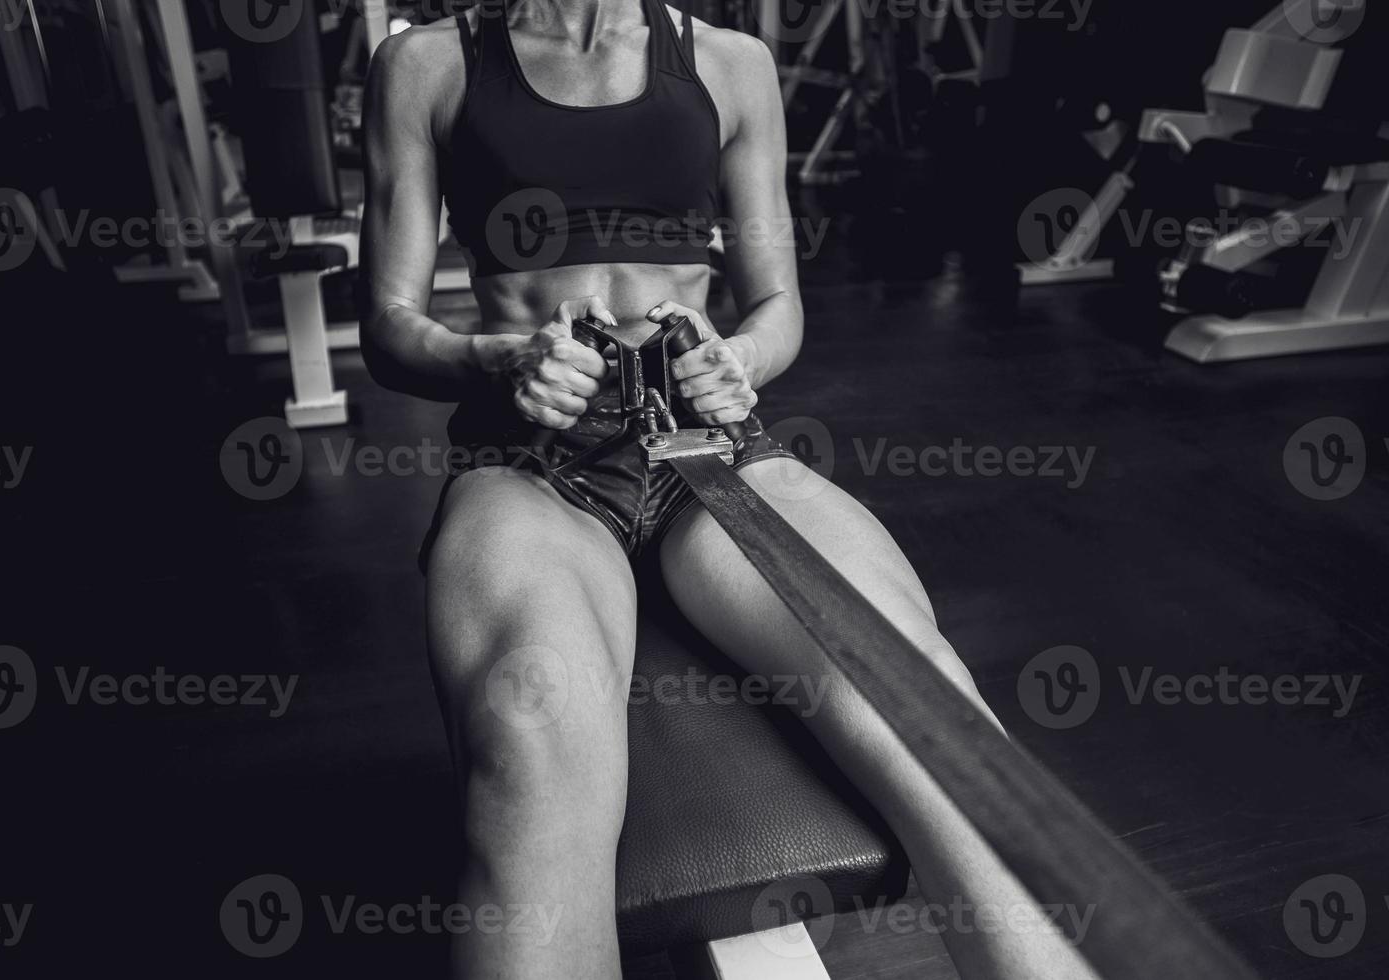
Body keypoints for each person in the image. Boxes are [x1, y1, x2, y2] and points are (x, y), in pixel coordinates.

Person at [361, 1, 1098, 976]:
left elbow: (776, 304)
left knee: (909, 682)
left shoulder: (732, 62)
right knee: (528, 728)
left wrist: (737, 357)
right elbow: (388, 325)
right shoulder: (424, 63)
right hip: (530, 456)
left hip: (708, 445)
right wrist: (499, 359)